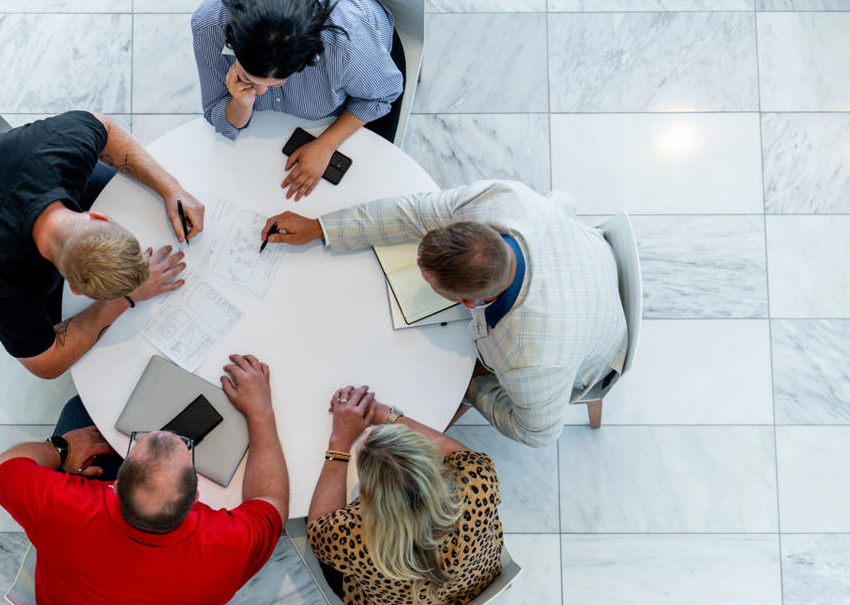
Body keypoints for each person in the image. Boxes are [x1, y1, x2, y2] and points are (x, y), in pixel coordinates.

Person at [261, 179, 628, 447]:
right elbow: (416, 212)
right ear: (479, 227)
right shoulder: (500, 200)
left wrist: (472, 387)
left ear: (469, 303)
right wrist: (321, 228)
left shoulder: (528, 357)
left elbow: (538, 433)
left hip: (596, 349)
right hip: (585, 257)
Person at [0, 354, 288, 605]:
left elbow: (2, 466)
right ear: (197, 498)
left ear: (115, 485)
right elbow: (271, 501)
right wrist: (261, 413)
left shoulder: (62, 505)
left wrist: (63, 448)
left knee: (78, 410)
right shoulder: (231, 543)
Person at [0, 110, 206, 379]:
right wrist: (126, 298)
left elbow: (103, 126)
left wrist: (170, 188)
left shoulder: (62, 151)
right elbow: (45, 364)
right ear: (72, 288)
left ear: (98, 216)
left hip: (9, 169)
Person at [191, 0, 404, 201]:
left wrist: (326, 146)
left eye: (278, 82)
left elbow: (382, 95)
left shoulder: (347, 41)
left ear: (307, 59)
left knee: (368, 186)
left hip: (368, 68)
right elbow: (217, 116)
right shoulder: (208, 27)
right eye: (249, 77)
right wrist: (241, 103)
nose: (260, 92)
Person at [307, 384, 504, 605]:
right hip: (478, 580)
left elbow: (317, 528)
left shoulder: (350, 535)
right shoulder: (477, 480)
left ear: (370, 496)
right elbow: (453, 449)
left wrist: (340, 441)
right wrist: (387, 415)